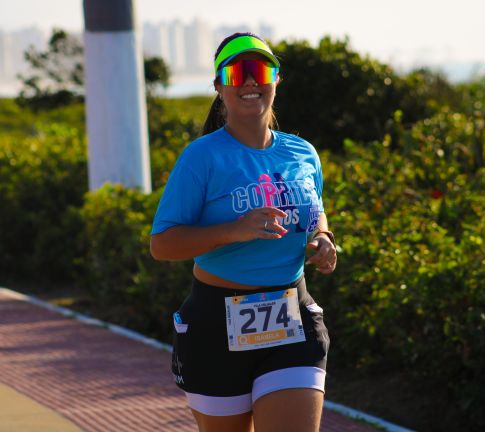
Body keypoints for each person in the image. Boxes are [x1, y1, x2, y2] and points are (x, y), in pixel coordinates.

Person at [150, 32, 337, 432]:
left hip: (292, 316)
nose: (250, 82)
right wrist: (234, 230)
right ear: (219, 86)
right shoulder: (201, 156)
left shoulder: (302, 152)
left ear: (276, 79)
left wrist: (323, 238)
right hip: (215, 323)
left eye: (260, 70)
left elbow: (315, 208)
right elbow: (162, 244)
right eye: (237, 73)